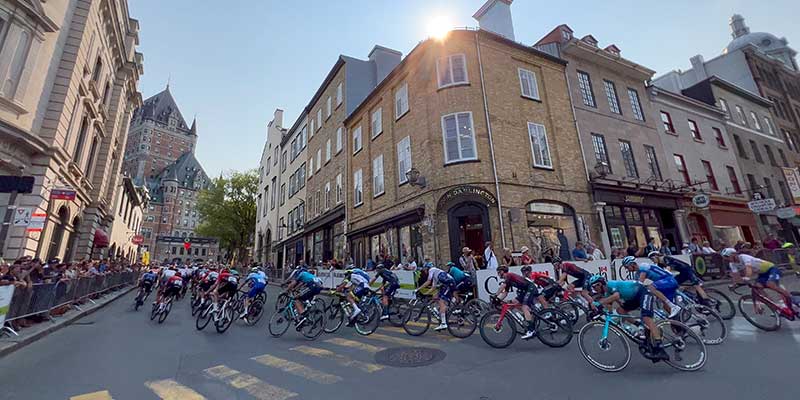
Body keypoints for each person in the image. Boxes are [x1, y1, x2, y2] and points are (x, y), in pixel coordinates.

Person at [589, 275, 669, 361]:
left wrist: (600, 303)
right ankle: (638, 324)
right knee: (620, 311)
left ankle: (660, 349)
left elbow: (616, 296)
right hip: (634, 297)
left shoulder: (610, 284)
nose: (594, 289)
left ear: (600, 284)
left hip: (643, 292)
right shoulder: (607, 293)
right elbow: (611, 305)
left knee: (647, 318)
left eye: (594, 286)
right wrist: (599, 311)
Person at [721, 248, 796, 306]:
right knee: (757, 287)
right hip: (762, 273)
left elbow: (748, 268)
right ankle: (773, 306)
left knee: (770, 284)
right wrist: (734, 284)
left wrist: (747, 277)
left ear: (734, 254)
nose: (726, 259)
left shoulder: (743, 257)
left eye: (727, 256)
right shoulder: (732, 264)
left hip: (771, 268)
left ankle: (793, 299)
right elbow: (736, 276)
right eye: (725, 258)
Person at [494, 265, 539, 340]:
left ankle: (531, 330)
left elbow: (502, 286)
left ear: (502, 272)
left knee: (525, 307)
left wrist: (495, 296)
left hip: (530, 288)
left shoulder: (509, 275)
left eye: (498, 272)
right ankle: (529, 315)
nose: (498, 274)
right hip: (524, 290)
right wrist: (498, 299)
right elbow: (505, 293)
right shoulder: (508, 279)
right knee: (514, 302)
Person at [415, 263, 455, 331]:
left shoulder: (432, 270)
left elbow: (428, 281)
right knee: (435, 296)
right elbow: (433, 288)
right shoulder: (435, 275)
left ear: (427, 268)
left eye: (425, 270)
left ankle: (443, 323)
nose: (424, 272)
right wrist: (425, 293)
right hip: (448, 284)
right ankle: (441, 312)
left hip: (448, 284)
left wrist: (418, 289)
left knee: (441, 302)